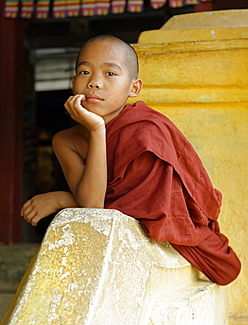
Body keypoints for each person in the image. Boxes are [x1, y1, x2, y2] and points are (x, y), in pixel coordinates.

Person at [21, 34, 241, 285]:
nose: (94, 83)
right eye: (84, 72)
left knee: (227, 269)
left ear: (133, 88)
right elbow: (93, 204)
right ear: (73, 82)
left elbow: (148, 205)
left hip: (183, 236)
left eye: (110, 74)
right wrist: (97, 130)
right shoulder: (65, 140)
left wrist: (63, 198)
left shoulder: (147, 129)